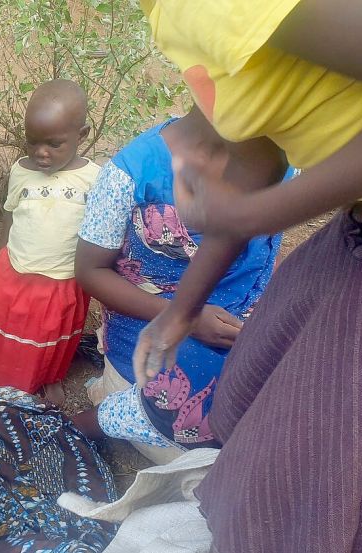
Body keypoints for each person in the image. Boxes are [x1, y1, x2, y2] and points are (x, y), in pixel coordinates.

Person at [130, 1, 362, 551]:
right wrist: (181, 308)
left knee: (342, 479)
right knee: (269, 422)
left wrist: (259, 215)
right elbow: (261, 142)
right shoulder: (166, 11)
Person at [71, 109, 287, 463]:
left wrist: (269, 317)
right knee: (235, 442)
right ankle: (110, 417)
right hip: (158, 331)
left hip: (242, 326)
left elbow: (265, 255)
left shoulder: (279, 157)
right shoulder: (132, 173)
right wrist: (186, 317)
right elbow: (89, 270)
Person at [0, 80, 98, 406]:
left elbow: (98, 232)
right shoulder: (21, 171)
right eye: (33, 142)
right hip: (16, 268)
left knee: (50, 334)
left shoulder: (93, 178)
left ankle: (48, 377)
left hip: (62, 278)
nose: (41, 153)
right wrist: (3, 254)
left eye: (54, 144)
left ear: (82, 136)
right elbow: (10, 214)